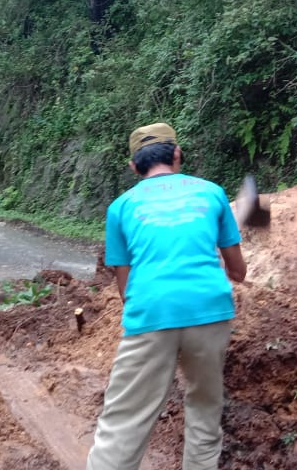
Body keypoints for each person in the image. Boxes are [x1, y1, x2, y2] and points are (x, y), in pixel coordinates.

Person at [87, 123, 246, 470]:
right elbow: (238, 271)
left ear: (134, 167)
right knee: (205, 412)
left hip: (150, 314)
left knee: (124, 422)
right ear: (176, 154)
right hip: (211, 311)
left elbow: (125, 289)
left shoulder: (121, 207)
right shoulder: (212, 193)